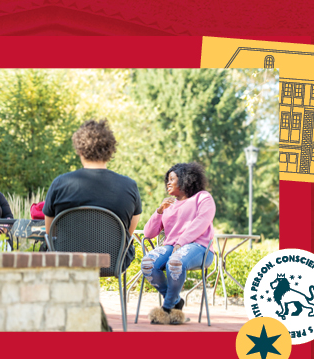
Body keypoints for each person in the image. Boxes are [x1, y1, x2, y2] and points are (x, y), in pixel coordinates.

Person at [43, 119, 142, 332]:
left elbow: (50, 230)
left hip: (67, 259)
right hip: (111, 260)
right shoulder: (129, 186)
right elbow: (127, 231)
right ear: (110, 150)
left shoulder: (61, 183)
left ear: (79, 149)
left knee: (46, 247)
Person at [142, 162, 215, 325]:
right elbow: (148, 233)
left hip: (200, 248)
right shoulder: (169, 204)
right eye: (167, 180)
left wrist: (181, 242)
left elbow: (202, 220)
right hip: (172, 247)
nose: (168, 183)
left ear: (185, 179)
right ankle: (176, 302)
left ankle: (167, 309)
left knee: (175, 262)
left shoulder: (202, 197)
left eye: (172, 179)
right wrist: (159, 210)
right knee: (148, 263)